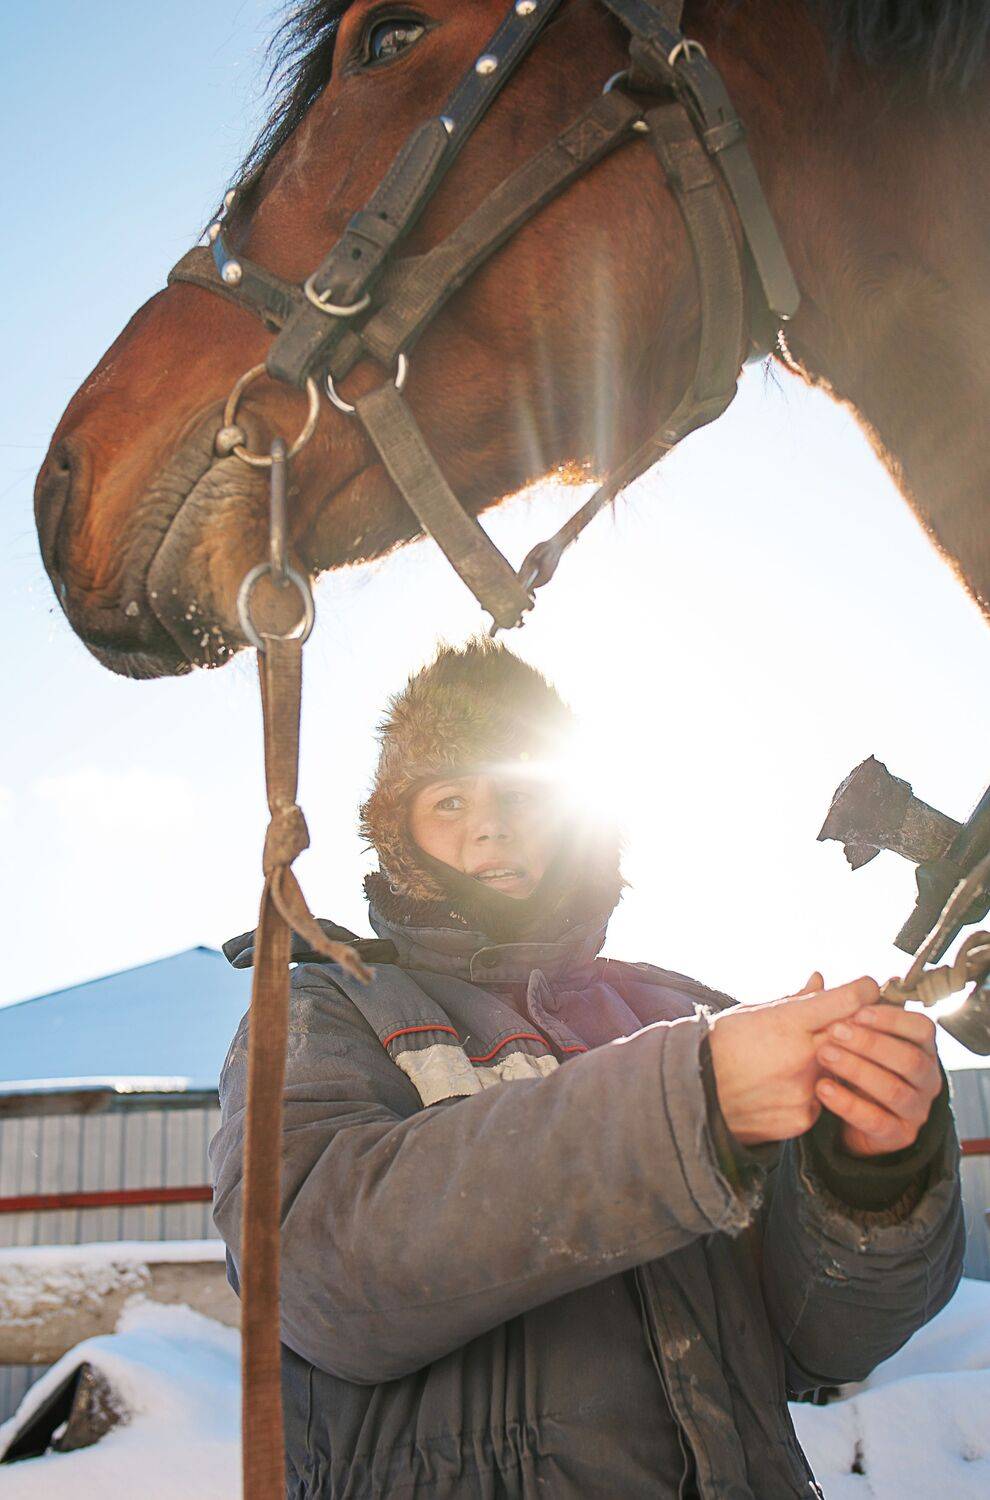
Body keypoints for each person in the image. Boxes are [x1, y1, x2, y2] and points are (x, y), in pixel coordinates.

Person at [213, 640, 963, 1500]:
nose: (490, 826)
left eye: (522, 793)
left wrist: (867, 1173)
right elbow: (312, 1276)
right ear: (400, 835)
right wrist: (686, 1101)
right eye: (450, 799)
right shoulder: (329, 1009)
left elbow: (821, 1343)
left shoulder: (680, 1015)